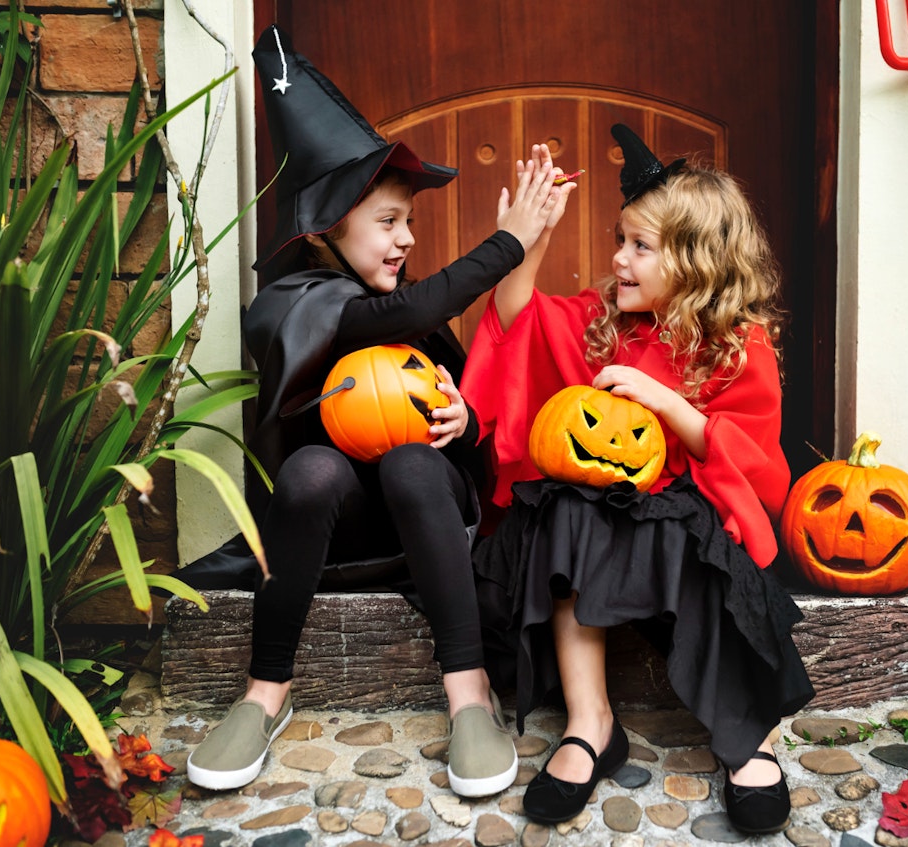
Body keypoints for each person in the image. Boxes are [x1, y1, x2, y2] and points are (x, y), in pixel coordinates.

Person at [180, 25, 563, 797]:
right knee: (315, 465)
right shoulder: (287, 305)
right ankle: (265, 692)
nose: (406, 240)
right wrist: (505, 244)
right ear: (329, 223)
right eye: (388, 221)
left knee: (415, 458)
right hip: (331, 529)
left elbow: (464, 405)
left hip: (419, 516)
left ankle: (470, 694)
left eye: (408, 224)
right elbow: (376, 321)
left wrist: (465, 420)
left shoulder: (409, 315)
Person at [462, 126, 816, 833]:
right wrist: (524, 240)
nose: (617, 258)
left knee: (717, 553)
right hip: (608, 544)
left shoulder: (741, 349)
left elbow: (756, 476)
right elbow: (518, 324)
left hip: (689, 545)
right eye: (619, 240)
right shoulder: (604, 325)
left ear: (697, 262)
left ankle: (753, 733)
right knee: (559, 503)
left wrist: (673, 406)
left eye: (639, 246)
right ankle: (590, 721)